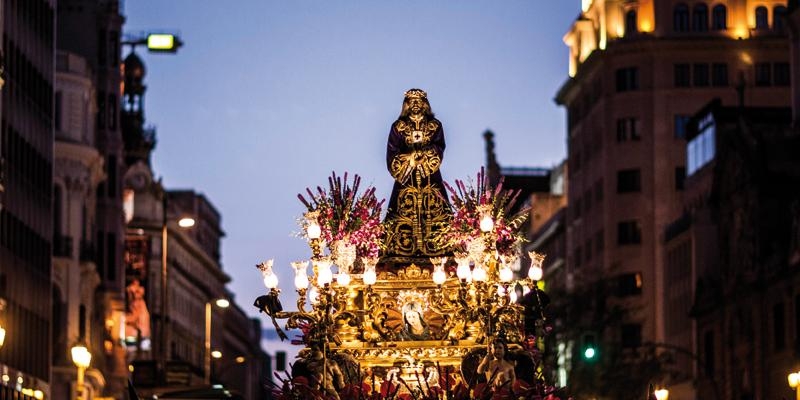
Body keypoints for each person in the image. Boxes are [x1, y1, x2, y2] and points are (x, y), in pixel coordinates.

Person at [383, 89, 452, 262]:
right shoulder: (398, 126)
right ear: (406, 104)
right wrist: (410, 158)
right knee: (400, 215)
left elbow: (439, 147)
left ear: (425, 104)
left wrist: (424, 155)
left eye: (418, 101)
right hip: (407, 178)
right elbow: (392, 151)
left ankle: (442, 247)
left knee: (436, 211)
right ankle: (398, 250)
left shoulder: (434, 125)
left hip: (430, 176)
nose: (415, 105)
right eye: (411, 101)